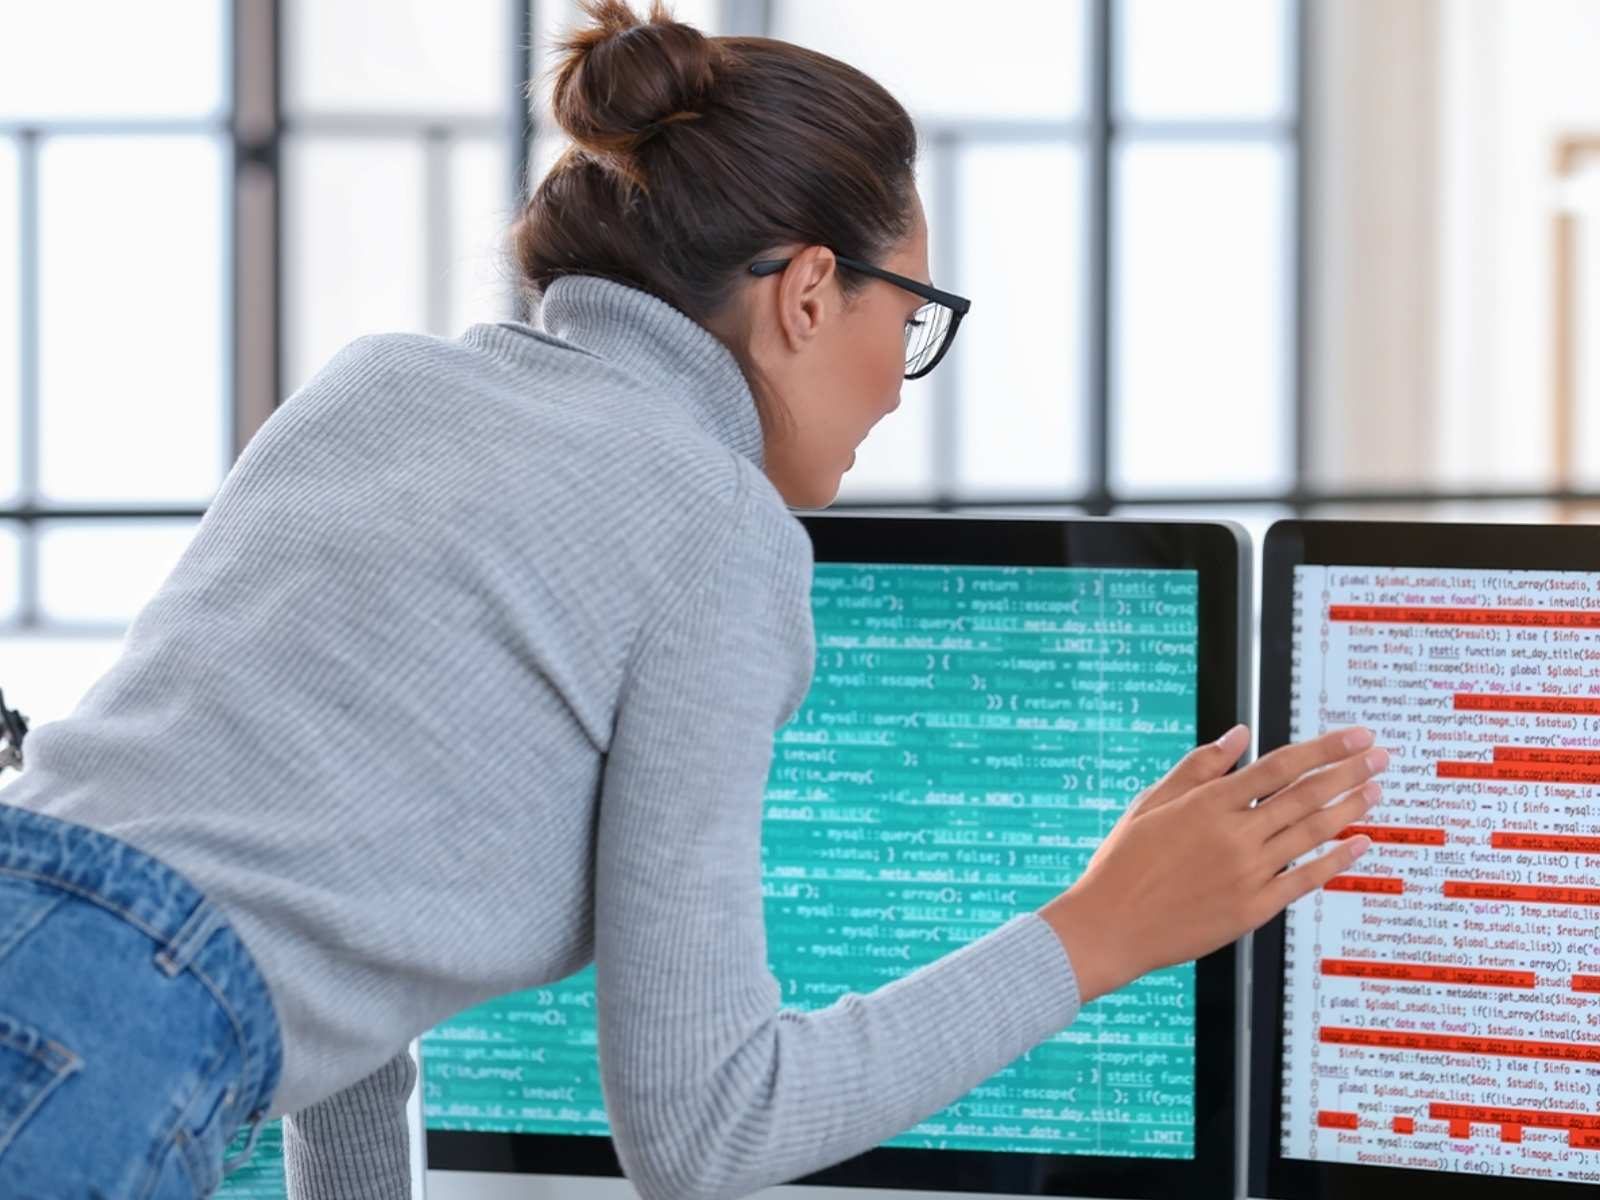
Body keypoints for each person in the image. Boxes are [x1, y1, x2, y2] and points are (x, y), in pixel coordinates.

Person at [0, 3, 1388, 1197]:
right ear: (805, 293)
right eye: (907, 322)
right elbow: (709, 1125)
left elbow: (313, 924)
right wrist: (1099, 931)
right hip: (110, 1033)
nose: (895, 387)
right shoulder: (715, 518)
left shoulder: (383, 385)